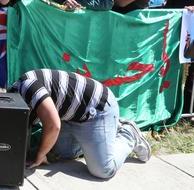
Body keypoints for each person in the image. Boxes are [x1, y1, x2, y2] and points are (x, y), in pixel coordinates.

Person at [11, 69, 151, 179]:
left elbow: (54, 125)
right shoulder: (14, 100)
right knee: (62, 154)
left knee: (103, 170)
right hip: (71, 115)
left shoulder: (28, 87)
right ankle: (100, 138)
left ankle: (128, 133)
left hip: (97, 110)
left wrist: (40, 155)